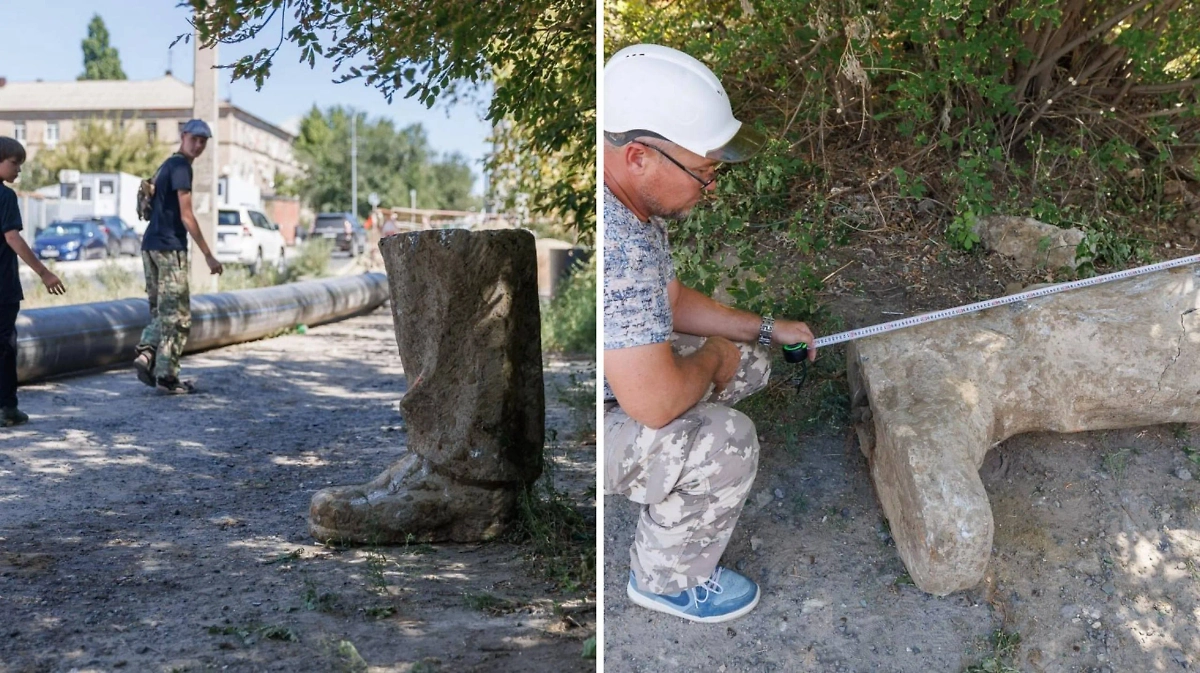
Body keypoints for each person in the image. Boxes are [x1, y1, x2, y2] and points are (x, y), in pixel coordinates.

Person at [602, 44, 818, 623]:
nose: (712, 187)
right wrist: (714, 359)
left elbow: (669, 301)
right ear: (639, 157)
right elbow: (653, 403)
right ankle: (665, 580)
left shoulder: (630, 206)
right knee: (727, 441)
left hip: (617, 380)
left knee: (752, 358)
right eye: (704, 173)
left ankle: (670, 475)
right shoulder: (618, 248)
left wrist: (764, 329)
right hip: (598, 416)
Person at [132, 119, 223, 394]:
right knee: (178, 316)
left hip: (149, 245)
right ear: (183, 136)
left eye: (203, 142)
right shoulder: (182, 167)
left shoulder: (166, 165)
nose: (198, 145)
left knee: (162, 310)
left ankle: (157, 367)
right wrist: (208, 255)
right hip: (169, 247)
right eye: (194, 139)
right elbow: (187, 215)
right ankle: (158, 365)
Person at [0, 136, 66, 426]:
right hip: (3, 288)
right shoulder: (5, 197)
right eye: (15, 163)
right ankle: (7, 408)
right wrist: (44, 272)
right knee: (5, 346)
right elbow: (12, 237)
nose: (19, 170)